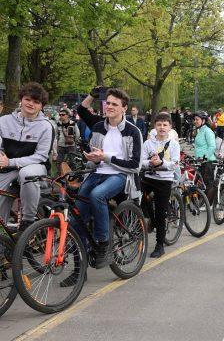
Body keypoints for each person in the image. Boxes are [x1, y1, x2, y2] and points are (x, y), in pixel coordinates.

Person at [75, 86, 143, 267]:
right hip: (97, 173)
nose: (110, 106)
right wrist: (92, 158)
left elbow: (135, 165)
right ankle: (78, 267)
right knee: (77, 215)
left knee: (97, 194)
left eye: (115, 104)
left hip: (120, 176)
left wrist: (105, 157)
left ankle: (103, 243)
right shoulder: (98, 126)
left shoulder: (133, 131)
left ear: (124, 108)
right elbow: (95, 158)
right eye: (108, 103)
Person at [0, 82, 54, 233]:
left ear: (41, 106)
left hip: (35, 166)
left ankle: (28, 221)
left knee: (26, 174)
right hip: (8, 168)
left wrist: (10, 161)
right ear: (21, 99)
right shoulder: (4, 121)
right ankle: (5, 246)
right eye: (28, 99)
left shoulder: (46, 126)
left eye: (36, 102)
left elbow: (41, 155)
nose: (31, 104)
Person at [140, 113, 180, 259]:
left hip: (165, 180)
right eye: (159, 124)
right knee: (139, 198)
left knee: (161, 213)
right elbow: (141, 161)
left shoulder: (174, 144)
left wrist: (162, 163)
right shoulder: (148, 143)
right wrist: (150, 162)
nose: (162, 127)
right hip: (149, 177)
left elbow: (175, 164)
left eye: (165, 125)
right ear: (154, 127)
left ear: (169, 127)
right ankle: (153, 221)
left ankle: (159, 245)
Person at [55, 107, 81, 172]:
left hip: (71, 145)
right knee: (59, 162)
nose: (61, 116)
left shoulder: (73, 123)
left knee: (72, 161)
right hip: (61, 145)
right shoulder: (58, 124)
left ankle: (73, 175)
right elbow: (56, 135)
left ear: (67, 115)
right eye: (60, 115)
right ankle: (60, 175)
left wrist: (74, 141)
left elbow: (77, 134)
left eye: (63, 115)